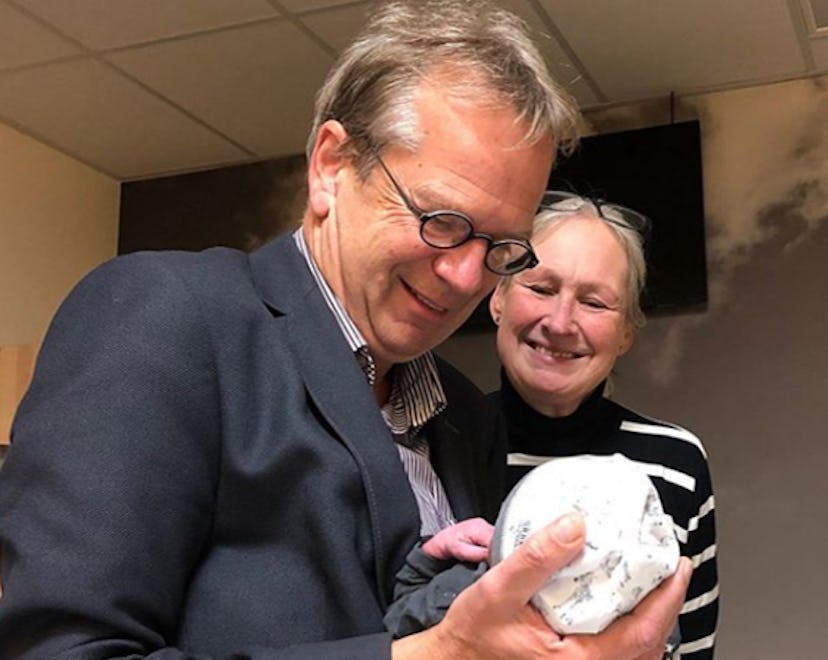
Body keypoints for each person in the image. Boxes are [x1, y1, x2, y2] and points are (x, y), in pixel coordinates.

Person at [0, 1, 691, 658]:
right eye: (441, 222)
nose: (466, 278)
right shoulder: (166, 317)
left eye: (501, 247)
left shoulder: (465, 420)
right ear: (331, 167)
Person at [487, 192, 719, 658]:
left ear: (626, 333)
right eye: (541, 288)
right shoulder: (430, 442)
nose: (560, 322)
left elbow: (691, 649)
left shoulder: (676, 461)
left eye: (594, 302)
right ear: (498, 299)